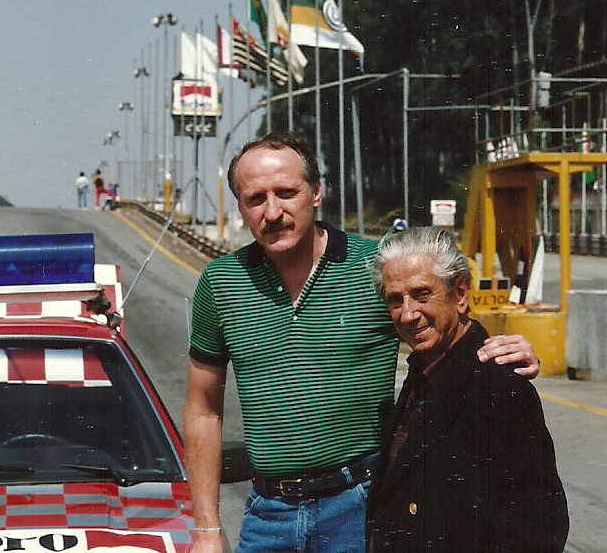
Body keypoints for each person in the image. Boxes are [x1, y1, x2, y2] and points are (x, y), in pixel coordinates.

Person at [183, 133, 540, 553]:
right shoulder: (220, 284)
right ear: (240, 206)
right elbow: (203, 410)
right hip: (267, 517)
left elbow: (443, 323)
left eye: (286, 193)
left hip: (362, 509)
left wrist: (504, 351)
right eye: (255, 199)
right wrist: (206, 529)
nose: (273, 211)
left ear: (316, 193)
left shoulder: (374, 266)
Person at [367, 227, 568, 552]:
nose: (407, 314)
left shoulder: (498, 386)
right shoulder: (425, 369)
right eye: (394, 300)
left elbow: (540, 524)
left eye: (422, 294)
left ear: (460, 294)